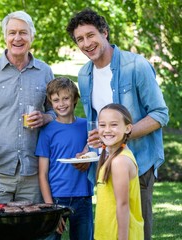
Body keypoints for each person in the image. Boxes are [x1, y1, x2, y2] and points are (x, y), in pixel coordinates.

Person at [66, 8, 169, 239]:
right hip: (104, 164)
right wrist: (88, 150)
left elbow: (160, 114)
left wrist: (123, 135)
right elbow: (98, 125)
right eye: (79, 39)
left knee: (136, 231)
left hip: (138, 162)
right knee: (109, 226)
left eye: (91, 35)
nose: (86, 43)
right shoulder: (84, 74)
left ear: (105, 33)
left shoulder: (136, 66)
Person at [0, 10, 55, 204]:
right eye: (12, 33)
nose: (17, 38)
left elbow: (54, 112)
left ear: (32, 36)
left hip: (34, 173)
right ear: (5, 37)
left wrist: (45, 118)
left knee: (31, 230)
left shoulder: (44, 71)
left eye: (23, 33)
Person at [35, 77, 94, 240]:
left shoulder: (86, 126)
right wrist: (50, 208)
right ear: (50, 102)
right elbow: (42, 174)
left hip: (83, 197)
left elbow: (97, 147)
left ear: (75, 99)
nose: (61, 104)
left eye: (66, 98)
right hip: (56, 198)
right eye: (56, 100)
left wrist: (88, 149)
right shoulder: (47, 130)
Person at [95, 103, 144, 239]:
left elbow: (123, 205)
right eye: (102, 125)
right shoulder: (113, 156)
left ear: (128, 128)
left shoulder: (119, 161)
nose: (107, 130)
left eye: (114, 125)